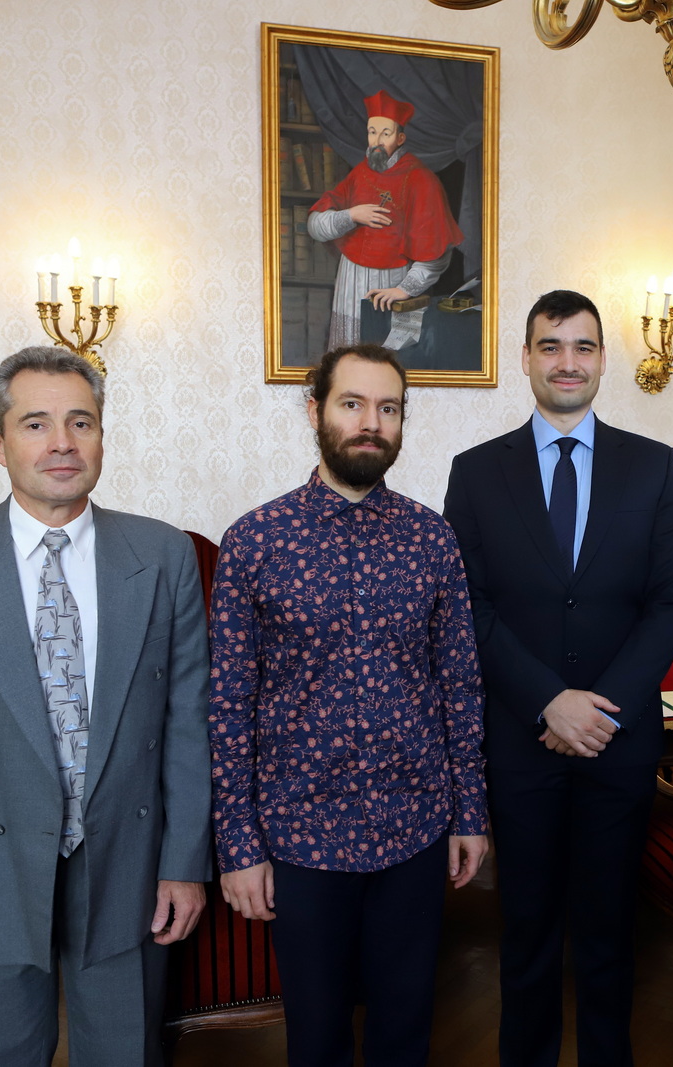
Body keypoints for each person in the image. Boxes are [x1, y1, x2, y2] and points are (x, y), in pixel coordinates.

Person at [0, 347, 211, 1066]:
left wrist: (184, 861)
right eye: (36, 423)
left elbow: (187, 722)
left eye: (81, 421)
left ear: (102, 438)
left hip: (126, 864)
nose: (62, 442)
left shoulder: (163, 554)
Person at [209, 343, 488, 1066]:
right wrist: (239, 843)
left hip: (415, 828)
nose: (373, 422)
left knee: (406, 1026)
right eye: (353, 403)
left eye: (389, 407)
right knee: (318, 1033)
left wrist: (471, 812)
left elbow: (458, 681)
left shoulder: (433, 538)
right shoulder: (255, 541)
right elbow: (229, 702)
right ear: (315, 410)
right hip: (301, 834)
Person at [443, 289, 673, 1066]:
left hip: (617, 746)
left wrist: (602, 709)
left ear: (602, 361)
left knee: (610, 932)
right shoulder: (477, 472)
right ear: (525, 359)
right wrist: (548, 699)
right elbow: (467, 605)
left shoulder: (652, 467)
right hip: (522, 742)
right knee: (526, 934)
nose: (567, 362)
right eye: (550, 346)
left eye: (582, 347)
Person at [308, 90, 465, 350]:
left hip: (392, 286)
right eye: (372, 132)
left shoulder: (421, 180)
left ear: (400, 138)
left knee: (386, 362)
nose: (376, 141)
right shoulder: (359, 173)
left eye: (385, 133)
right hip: (349, 284)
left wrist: (404, 289)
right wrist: (351, 215)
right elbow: (315, 226)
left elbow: (436, 254)